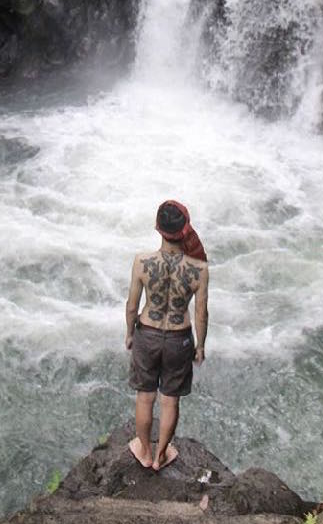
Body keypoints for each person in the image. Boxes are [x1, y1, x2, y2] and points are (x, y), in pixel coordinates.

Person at [125, 200, 209, 470]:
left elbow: (131, 306)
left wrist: (129, 334)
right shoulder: (199, 270)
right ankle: (161, 456)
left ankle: (144, 451)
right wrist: (200, 346)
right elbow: (201, 314)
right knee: (170, 400)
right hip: (179, 338)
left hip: (147, 333)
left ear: (158, 228)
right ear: (185, 229)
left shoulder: (142, 262)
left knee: (145, 396)